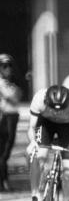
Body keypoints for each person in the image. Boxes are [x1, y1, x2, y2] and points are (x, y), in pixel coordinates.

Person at [0, 54, 22, 192]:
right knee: (4, 152)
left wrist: (16, 94)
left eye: (9, 66)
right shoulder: (1, 83)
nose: (8, 69)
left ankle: (4, 181)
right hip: (6, 117)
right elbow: (14, 98)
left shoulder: (10, 83)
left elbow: (19, 95)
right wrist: (15, 94)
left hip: (12, 117)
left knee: (5, 152)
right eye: (4, 66)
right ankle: (3, 182)